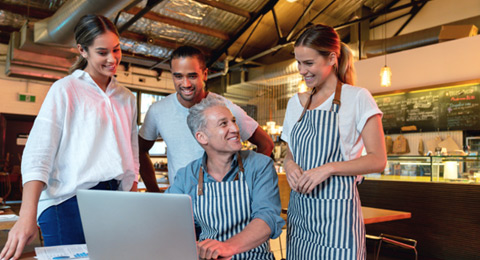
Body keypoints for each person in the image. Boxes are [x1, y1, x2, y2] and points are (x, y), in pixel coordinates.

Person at [0, 14, 139, 260]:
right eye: (102, 52)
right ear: (82, 51)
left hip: (114, 199)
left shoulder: (126, 97)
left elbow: (131, 153)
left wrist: (131, 197)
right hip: (67, 202)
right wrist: (26, 215)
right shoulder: (65, 89)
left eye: (116, 50)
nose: (112, 58)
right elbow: (38, 154)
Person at [281, 24, 387, 259]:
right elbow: (290, 153)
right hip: (301, 217)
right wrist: (289, 165)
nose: (302, 70)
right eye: (298, 63)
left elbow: (378, 160)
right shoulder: (295, 103)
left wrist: (328, 169)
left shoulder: (357, 98)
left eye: (308, 63)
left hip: (338, 220)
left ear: (331, 58)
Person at [138, 46, 273, 191]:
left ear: (205, 74)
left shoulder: (226, 109)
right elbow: (140, 150)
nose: (186, 84)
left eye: (192, 76)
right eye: (178, 76)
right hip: (182, 200)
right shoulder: (158, 111)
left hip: (224, 199)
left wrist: (247, 184)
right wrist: (154, 190)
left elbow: (266, 144)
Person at [166, 95, 284, 260]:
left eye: (233, 121)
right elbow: (168, 220)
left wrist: (227, 247)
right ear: (202, 137)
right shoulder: (187, 176)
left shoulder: (259, 165)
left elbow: (267, 218)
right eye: (224, 124)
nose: (235, 129)